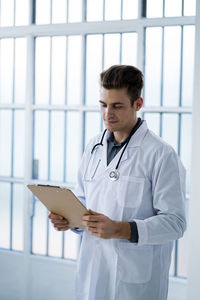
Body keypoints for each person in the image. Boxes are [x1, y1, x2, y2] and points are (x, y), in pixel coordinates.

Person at [48, 65, 186, 300]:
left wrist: (121, 229)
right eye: (103, 105)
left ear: (137, 104)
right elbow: (85, 199)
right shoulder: (93, 147)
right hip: (93, 270)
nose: (107, 113)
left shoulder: (161, 154)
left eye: (117, 106)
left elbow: (175, 223)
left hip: (135, 282)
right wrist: (70, 219)